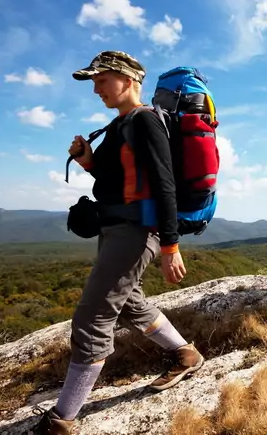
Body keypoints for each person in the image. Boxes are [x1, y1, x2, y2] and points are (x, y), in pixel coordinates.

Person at [34, 51, 205, 435]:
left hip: (137, 232)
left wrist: (170, 245)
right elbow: (115, 178)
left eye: (102, 80)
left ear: (127, 80)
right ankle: (186, 354)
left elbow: (164, 184)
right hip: (116, 229)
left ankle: (62, 420)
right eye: (94, 83)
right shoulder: (120, 124)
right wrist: (87, 160)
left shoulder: (145, 121)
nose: (96, 89)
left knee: (93, 317)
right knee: (128, 303)